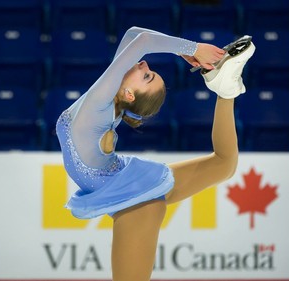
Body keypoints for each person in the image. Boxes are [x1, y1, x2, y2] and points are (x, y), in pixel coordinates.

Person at [56, 26, 255, 281]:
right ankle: (225, 89)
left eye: (147, 76)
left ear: (129, 95)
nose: (143, 65)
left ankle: (226, 87)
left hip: (138, 203)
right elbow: (133, 34)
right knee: (224, 165)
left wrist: (194, 48)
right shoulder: (111, 91)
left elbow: (144, 42)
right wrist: (186, 52)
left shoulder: (99, 101)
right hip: (125, 178)